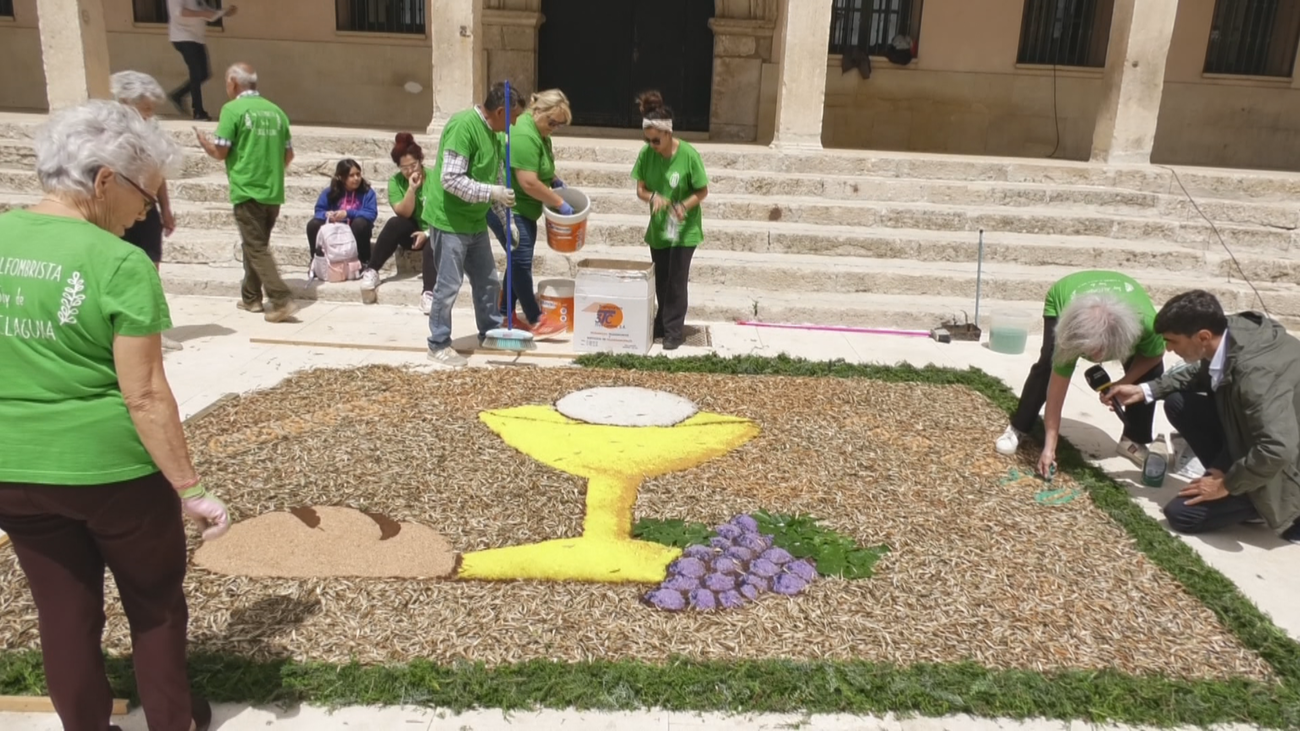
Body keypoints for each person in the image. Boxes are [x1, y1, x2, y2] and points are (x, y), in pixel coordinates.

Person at [0, 99, 230, 731]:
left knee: (63, 611)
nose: (145, 214)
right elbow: (146, 394)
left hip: (12, 470)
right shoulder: (120, 263)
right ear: (104, 180)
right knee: (155, 604)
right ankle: (171, 720)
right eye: (145, 196)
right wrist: (193, 489)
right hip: (112, 475)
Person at [1106, 291, 1300, 543]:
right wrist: (1146, 390)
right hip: (1256, 436)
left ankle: (1262, 505)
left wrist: (1226, 484)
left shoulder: (1256, 379)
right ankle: (1232, 476)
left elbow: (1278, 448)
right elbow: (1204, 370)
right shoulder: (1230, 333)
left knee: (1181, 515)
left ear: (1203, 337)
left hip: (1284, 462)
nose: (1168, 349)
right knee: (1178, 403)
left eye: (1172, 341)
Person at [994, 270, 1167, 476]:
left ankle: (1134, 438)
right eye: (1085, 352)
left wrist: (1123, 383)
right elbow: (1056, 392)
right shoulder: (1071, 330)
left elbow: (1155, 356)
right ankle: (1018, 427)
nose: (1091, 357)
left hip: (1123, 311)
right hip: (1066, 293)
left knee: (1152, 372)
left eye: (1098, 352)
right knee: (1048, 364)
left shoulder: (1147, 324)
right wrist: (1050, 447)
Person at [424, 81, 525, 368]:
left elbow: (496, 182)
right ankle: (438, 343)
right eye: (514, 117)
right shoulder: (463, 127)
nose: (515, 124)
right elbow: (451, 179)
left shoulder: (495, 135)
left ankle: (491, 332)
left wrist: (508, 222)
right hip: (449, 222)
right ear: (501, 111)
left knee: (488, 280)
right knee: (448, 285)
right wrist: (493, 193)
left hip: (474, 221)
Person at [195, 62, 297, 323]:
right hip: (273, 191)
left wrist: (206, 144)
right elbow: (289, 154)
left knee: (256, 247)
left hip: (247, 188)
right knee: (255, 244)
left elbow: (221, 152)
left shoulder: (232, 110)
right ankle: (251, 297)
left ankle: (280, 297)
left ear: (233, 82)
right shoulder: (277, 112)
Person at [485, 89, 573, 338]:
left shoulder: (540, 131)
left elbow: (540, 164)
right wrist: (559, 203)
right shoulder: (524, 132)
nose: (554, 128)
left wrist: (554, 179)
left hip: (525, 208)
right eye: (552, 122)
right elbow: (528, 182)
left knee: (517, 261)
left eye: (559, 124)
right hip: (509, 208)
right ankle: (536, 318)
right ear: (538, 111)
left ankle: (505, 314)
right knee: (521, 262)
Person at [111, 70, 184, 352]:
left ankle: (153, 329)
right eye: (144, 110)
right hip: (118, 209)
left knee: (150, 267)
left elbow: (160, 171)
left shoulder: (152, 129)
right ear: (125, 102)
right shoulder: (108, 132)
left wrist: (165, 208)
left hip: (146, 206)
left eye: (152, 110)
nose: (148, 115)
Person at [631, 90, 710, 351]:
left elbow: (702, 191)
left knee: (677, 279)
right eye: (648, 140)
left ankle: (674, 330)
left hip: (684, 228)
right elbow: (640, 190)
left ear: (668, 133)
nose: (652, 145)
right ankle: (661, 323)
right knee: (661, 279)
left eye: (655, 140)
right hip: (659, 229)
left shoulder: (688, 155)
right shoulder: (646, 155)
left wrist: (682, 206)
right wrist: (653, 197)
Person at [360, 133, 438, 312]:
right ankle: (372, 270)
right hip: (412, 230)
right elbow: (403, 212)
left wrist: (426, 233)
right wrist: (411, 188)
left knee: (433, 243)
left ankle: (428, 293)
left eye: (413, 165)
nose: (410, 171)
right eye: (404, 168)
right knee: (395, 223)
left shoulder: (434, 179)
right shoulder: (395, 182)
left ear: (421, 160)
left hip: (435, 229)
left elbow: (444, 214)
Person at [166, 0, 237, 121]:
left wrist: (223, 12)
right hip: (183, 37)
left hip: (197, 39)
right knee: (195, 73)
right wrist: (202, 13)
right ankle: (198, 112)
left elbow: (208, 14)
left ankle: (178, 95)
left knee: (204, 74)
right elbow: (178, 13)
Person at [306, 158, 377, 264]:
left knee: (360, 223)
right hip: (335, 232)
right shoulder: (329, 192)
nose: (356, 178)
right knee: (313, 224)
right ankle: (317, 261)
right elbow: (319, 211)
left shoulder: (368, 193)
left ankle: (363, 261)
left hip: (355, 232)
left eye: (358, 174)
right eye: (351, 175)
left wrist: (348, 214)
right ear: (341, 177)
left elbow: (371, 213)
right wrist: (328, 215)